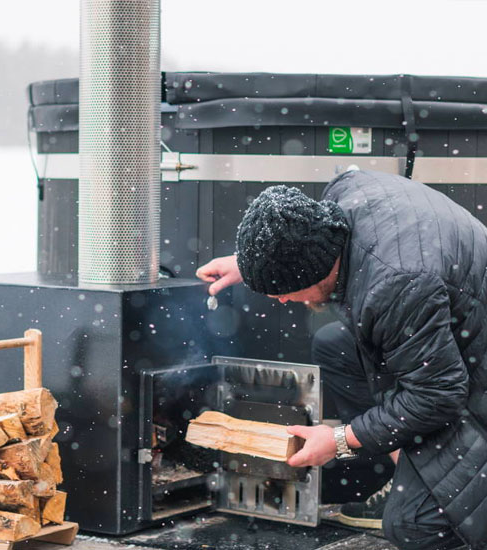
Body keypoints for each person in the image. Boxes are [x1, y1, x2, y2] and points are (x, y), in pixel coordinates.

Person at [196, 170, 487, 550]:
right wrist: (248, 264)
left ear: (314, 271)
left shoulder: (395, 284)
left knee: (411, 525)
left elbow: (437, 396)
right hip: (454, 327)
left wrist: (340, 440)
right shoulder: (348, 192)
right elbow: (299, 240)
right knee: (334, 346)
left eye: (284, 291)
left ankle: (435, 497)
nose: (282, 301)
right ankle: (413, 472)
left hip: (473, 367)